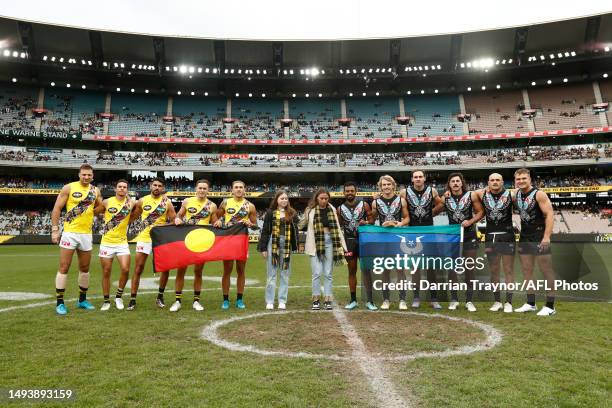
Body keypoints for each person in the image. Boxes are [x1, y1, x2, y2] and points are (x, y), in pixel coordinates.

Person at [51, 164, 103, 315]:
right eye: (84, 174)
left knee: (85, 269)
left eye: (89, 175)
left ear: (93, 176)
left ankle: (82, 300)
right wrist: (55, 230)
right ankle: (60, 302)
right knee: (64, 267)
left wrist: (94, 212)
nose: (86, 177)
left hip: (86, 234)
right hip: (70, 233)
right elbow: (56, 209)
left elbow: (101, 207)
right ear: (79, 175)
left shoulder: (95, 190)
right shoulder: (69, 188)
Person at [512, 168, 557, 316]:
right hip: (525, 236)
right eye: (518, 179)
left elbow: (549, 214)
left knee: (546, 270)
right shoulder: (516, 194)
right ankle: (531, 303)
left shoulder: (539, 194)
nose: (521, 181)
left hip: (539, 236)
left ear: (530, 179)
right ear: (515, 181)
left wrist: (546, 237)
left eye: (524, 178)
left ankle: (550, 306)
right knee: (527, 271)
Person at [170, 179, 218, 312]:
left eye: (204, 188)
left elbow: (214, 222)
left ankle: (196, 301)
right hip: (186, 240)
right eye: (200, 188)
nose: (202, 190)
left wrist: (217, 223)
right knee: (181, 271)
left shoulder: (212, 206)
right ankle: (177, 301)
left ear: (208, 190)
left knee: (198, 272)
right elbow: (178, 216)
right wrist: (178, 219)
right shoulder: (187, 201)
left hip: (202, 243)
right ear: (196, 189)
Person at [128, 177, 176, 311]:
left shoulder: (167, 203)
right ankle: (132, 299)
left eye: (160, 186)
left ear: (163, 188)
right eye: (155, 185)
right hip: (144, 238)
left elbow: (174, 220)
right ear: (150, 186)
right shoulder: (142, 200)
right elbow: (133, 217)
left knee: (166, 268)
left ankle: (160, 296)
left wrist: (163, 227)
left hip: (160, 239)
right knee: (138, 268)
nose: (157, 187)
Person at [400, 170, 445, 309]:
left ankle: (433, 298)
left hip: (429, 232)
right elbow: (398, 206)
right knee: (415, 268)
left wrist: (430, 213)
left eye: (420, 177)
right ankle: (416, 297)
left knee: (431, 267)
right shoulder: (404, 193)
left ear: (424, 178)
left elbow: (441, 204)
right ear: (412, 179)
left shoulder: (432, 191)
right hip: (412, 232)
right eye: (415, 177)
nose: (418, 179)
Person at [299, 188, 347, 310]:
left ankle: (327, 299)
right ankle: (315, 299)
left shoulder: (332, 209)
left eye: (326, 198)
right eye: (322, 198)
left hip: (330, 242)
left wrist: (343, 245)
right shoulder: (310, 210)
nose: (324, 201)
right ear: (317, 198)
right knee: (316, 273)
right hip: (315, 243)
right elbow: (301, 224)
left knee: (328, 273)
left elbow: (337, 226)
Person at [443, 173, 484, 312]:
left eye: (457, 181)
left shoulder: (471, 195)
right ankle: (454, 299)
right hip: (453, 237)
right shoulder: (445, 198)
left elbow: (480, 212)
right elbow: (433, 209)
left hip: (469, 235)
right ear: (449, 184)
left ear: (462, 183)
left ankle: (469, 300)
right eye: (452, 181)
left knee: (469, 268)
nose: (455, 183)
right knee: (452, 270)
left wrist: (470, 221)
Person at [475, 173, 515, 313]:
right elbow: (467, 194)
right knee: (494, 270)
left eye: (498, 180)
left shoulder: (512, 194)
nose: (495, 182)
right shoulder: (481, 194)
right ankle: (497, 301)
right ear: (488, 182)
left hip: (507, 236)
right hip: (490, 236)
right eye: (492, 180)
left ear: (503, 182)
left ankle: (509, 302)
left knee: (508, 270)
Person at [214, 180, 257, 310]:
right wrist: (217, 222)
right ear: (232, 190)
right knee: (227, 270)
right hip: (228, 240)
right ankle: (225, 300)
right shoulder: (225, 203)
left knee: (241, 270)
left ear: (244, 190)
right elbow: (215, 217)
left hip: (241, 241)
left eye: (241, 187)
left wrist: (250, 224)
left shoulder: (250, 206)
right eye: (236, 187)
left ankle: (239, 299)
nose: (238, 189)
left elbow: (255, 226)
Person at [94, 179, 135, 311]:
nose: (122, 189)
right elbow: (95, 212)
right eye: (120, 187)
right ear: (115, 189)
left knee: (125, 269)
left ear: (127, 190)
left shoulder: (131, 203)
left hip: (122, 243)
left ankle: (118, 296)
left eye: (124, 187)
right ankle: (106, 301)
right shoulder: (107, 202)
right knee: (106, 272)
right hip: (106, 243)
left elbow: (138, 211)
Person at [371, 175, 410, 310]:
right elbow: (372, 220)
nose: (386, 187)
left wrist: (400, 224)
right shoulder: (375, 203)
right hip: (383, 240)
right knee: (385, 270)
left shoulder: (401, 200)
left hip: (398, 239)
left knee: (400, 270)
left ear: (393, 185)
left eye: (388, 184)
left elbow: (407, 218)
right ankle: (386, 299)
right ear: (380, 187)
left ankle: (402, 299)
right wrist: (382, 225)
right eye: (383, 185)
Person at [337, 182, 376, 310]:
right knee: (351, 271)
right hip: (349, 242)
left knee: (366, 271)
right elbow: (339, 226)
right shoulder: (340, 209)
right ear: (344, 193)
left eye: (351, 191)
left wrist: (366, 222)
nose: (349, 193)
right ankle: (353, 300)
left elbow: (372, 221)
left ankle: (370, 300)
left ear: (356, 191)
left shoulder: (364, 205)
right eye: (347, 191)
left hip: (363, 241)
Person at [257, 190, 298, 310]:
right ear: (277, 200)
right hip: (272, 243)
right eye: (282, 198)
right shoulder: (270, 213)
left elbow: (295, 230)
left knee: (285, 274)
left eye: (286, 198)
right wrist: (263, 248)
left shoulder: (291, 213)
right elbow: (265, 230)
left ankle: (282, 300)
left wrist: (294, 246)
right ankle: (269, 301)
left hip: (286, 244)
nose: (284, 200)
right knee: (271, 274)